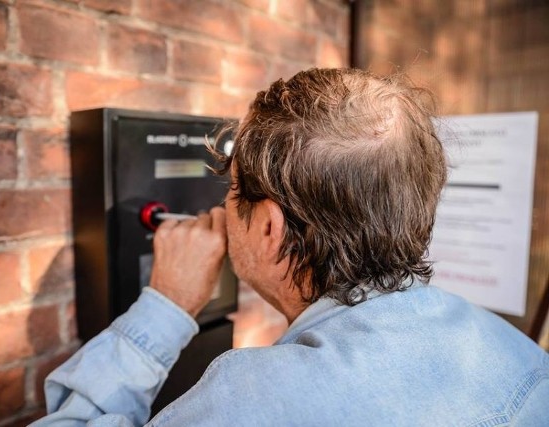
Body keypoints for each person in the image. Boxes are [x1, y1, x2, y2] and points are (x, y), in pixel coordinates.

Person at [32, 68, 549, 426]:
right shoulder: (515, 350)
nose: (223, 208)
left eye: (234, 190)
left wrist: (163, 309)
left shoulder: (250, 403)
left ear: (270, 227)